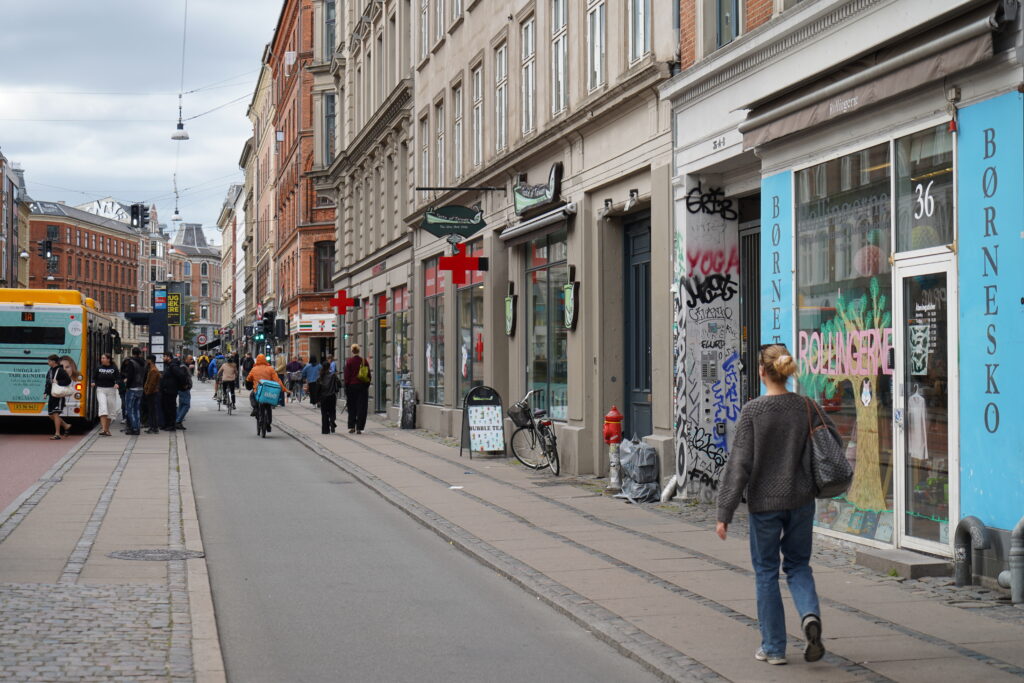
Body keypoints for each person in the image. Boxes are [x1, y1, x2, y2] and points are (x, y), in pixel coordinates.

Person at [716, 344, 829, 667]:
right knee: (798, 566)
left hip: (765, 504)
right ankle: (809, 616)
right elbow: (830, 442)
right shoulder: (806, 406)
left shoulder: (753, 411)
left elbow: (739, 465)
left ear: (762, 372)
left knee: (766, 571)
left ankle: (774, 647)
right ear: (786, 369)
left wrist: (724, 513)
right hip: (801, 499)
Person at [245, 353, 288, 428]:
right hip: (268, 391)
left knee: (252, 396)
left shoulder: (254, 369)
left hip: (257, 390)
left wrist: (250, 381)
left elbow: (248, 378)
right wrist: (284, 389)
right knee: (268, 406)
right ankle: (268, 422)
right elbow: (277, 380)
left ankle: (255, 408)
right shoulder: (270, 368)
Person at [91, 353, 121, 436]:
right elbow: (94, 377)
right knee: (103, 408)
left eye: (103, 358)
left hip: (111, 390)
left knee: (111, 410)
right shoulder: (98, 368)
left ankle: (107, 429)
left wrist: (117, 383)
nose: (102, 359)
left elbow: (118, 378)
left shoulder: (114, 368)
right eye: (101, 358)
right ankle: (103, 429)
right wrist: (93, 382)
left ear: (108, 359)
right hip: (101, 390)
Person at [44, 354, 73, 440]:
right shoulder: (50, 371)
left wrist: (58, 382)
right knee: (51, 415)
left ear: (54, 362)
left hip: (59, 395)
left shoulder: (60, 370)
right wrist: (45, 392)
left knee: (56, 413)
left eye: (49, 361)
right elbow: (48, 382)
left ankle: (57, 434)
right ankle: (66, 425)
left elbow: (68, 380)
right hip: (52, 395)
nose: (48, 362)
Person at [343, 344, 371, 434]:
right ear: (359, 351)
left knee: (352, 407)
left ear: (352, 351)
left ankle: (351, 427)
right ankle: (359, 427)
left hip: (351, 386)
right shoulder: (364, 361)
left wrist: (346, 386)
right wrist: (367, 384)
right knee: (362, 407)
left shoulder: (349, 361)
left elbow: (346, 376)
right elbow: (368, 375)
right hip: (362, 386)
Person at [120, 347, 146, 435]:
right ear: (140, 353)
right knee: (137, 409)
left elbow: (130, 376)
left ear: (132, 353)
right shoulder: (143, 363)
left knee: (129, 409)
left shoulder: (132, 363)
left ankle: (134, 428)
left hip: (132, 388)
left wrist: (127, 386)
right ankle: (137, 427)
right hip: (140, 388)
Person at [159, 352, 182, 431]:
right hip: (166, 390)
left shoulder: (173, 366)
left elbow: (180, 376)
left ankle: (172, 425)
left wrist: (174, 385)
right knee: (166, 408)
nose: (163, 358)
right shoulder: (169, 366)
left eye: (164, 356)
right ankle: (167, 424)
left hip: (170, 391)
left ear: (168, 357)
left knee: (171, 408)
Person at [317, 360, 339, 434]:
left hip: (323, 397)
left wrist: (318, 398)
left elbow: (318, 388)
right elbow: (340, 384)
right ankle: (332, 421)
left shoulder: (320, 376)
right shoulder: (333, 375)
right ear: (329, 367)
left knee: (324, 413)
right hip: (332, 396)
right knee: (332, 411)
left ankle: (325, 430)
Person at [143, 354, 162, 433]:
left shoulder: (153, 370)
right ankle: (153, 427)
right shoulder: (152, 369)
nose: (146, 361)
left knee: (152, 411)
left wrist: (147, 392)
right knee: (152, 410)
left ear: (150, 360)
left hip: (152, 393)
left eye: (147, 359)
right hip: (152, 393)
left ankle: (154, 427)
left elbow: (152, 384)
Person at [175, 355, 193, 430]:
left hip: (182, 389)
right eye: (190, 359)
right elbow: (182, 377)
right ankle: (178, 421)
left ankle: (178, 421)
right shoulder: (183, 367)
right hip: (184, 389)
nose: (191, 360)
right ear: (185, 359)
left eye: (192, 359)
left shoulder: (184, 366)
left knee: (182, 405)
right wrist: (185, 385)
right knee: (186, 405)